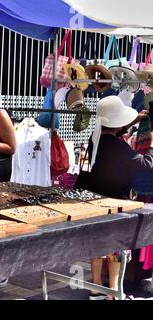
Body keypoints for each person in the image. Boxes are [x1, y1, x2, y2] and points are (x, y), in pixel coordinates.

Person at [75, 95, 153, 300]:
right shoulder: (118, 146)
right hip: (115, 204)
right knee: (116, 247)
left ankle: (96, 289)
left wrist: (132, 123)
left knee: (96, 244)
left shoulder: (96, 137)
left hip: (94, 200)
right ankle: (113, 293)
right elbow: (145, 164)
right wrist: (151, 146)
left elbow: (113, 134)